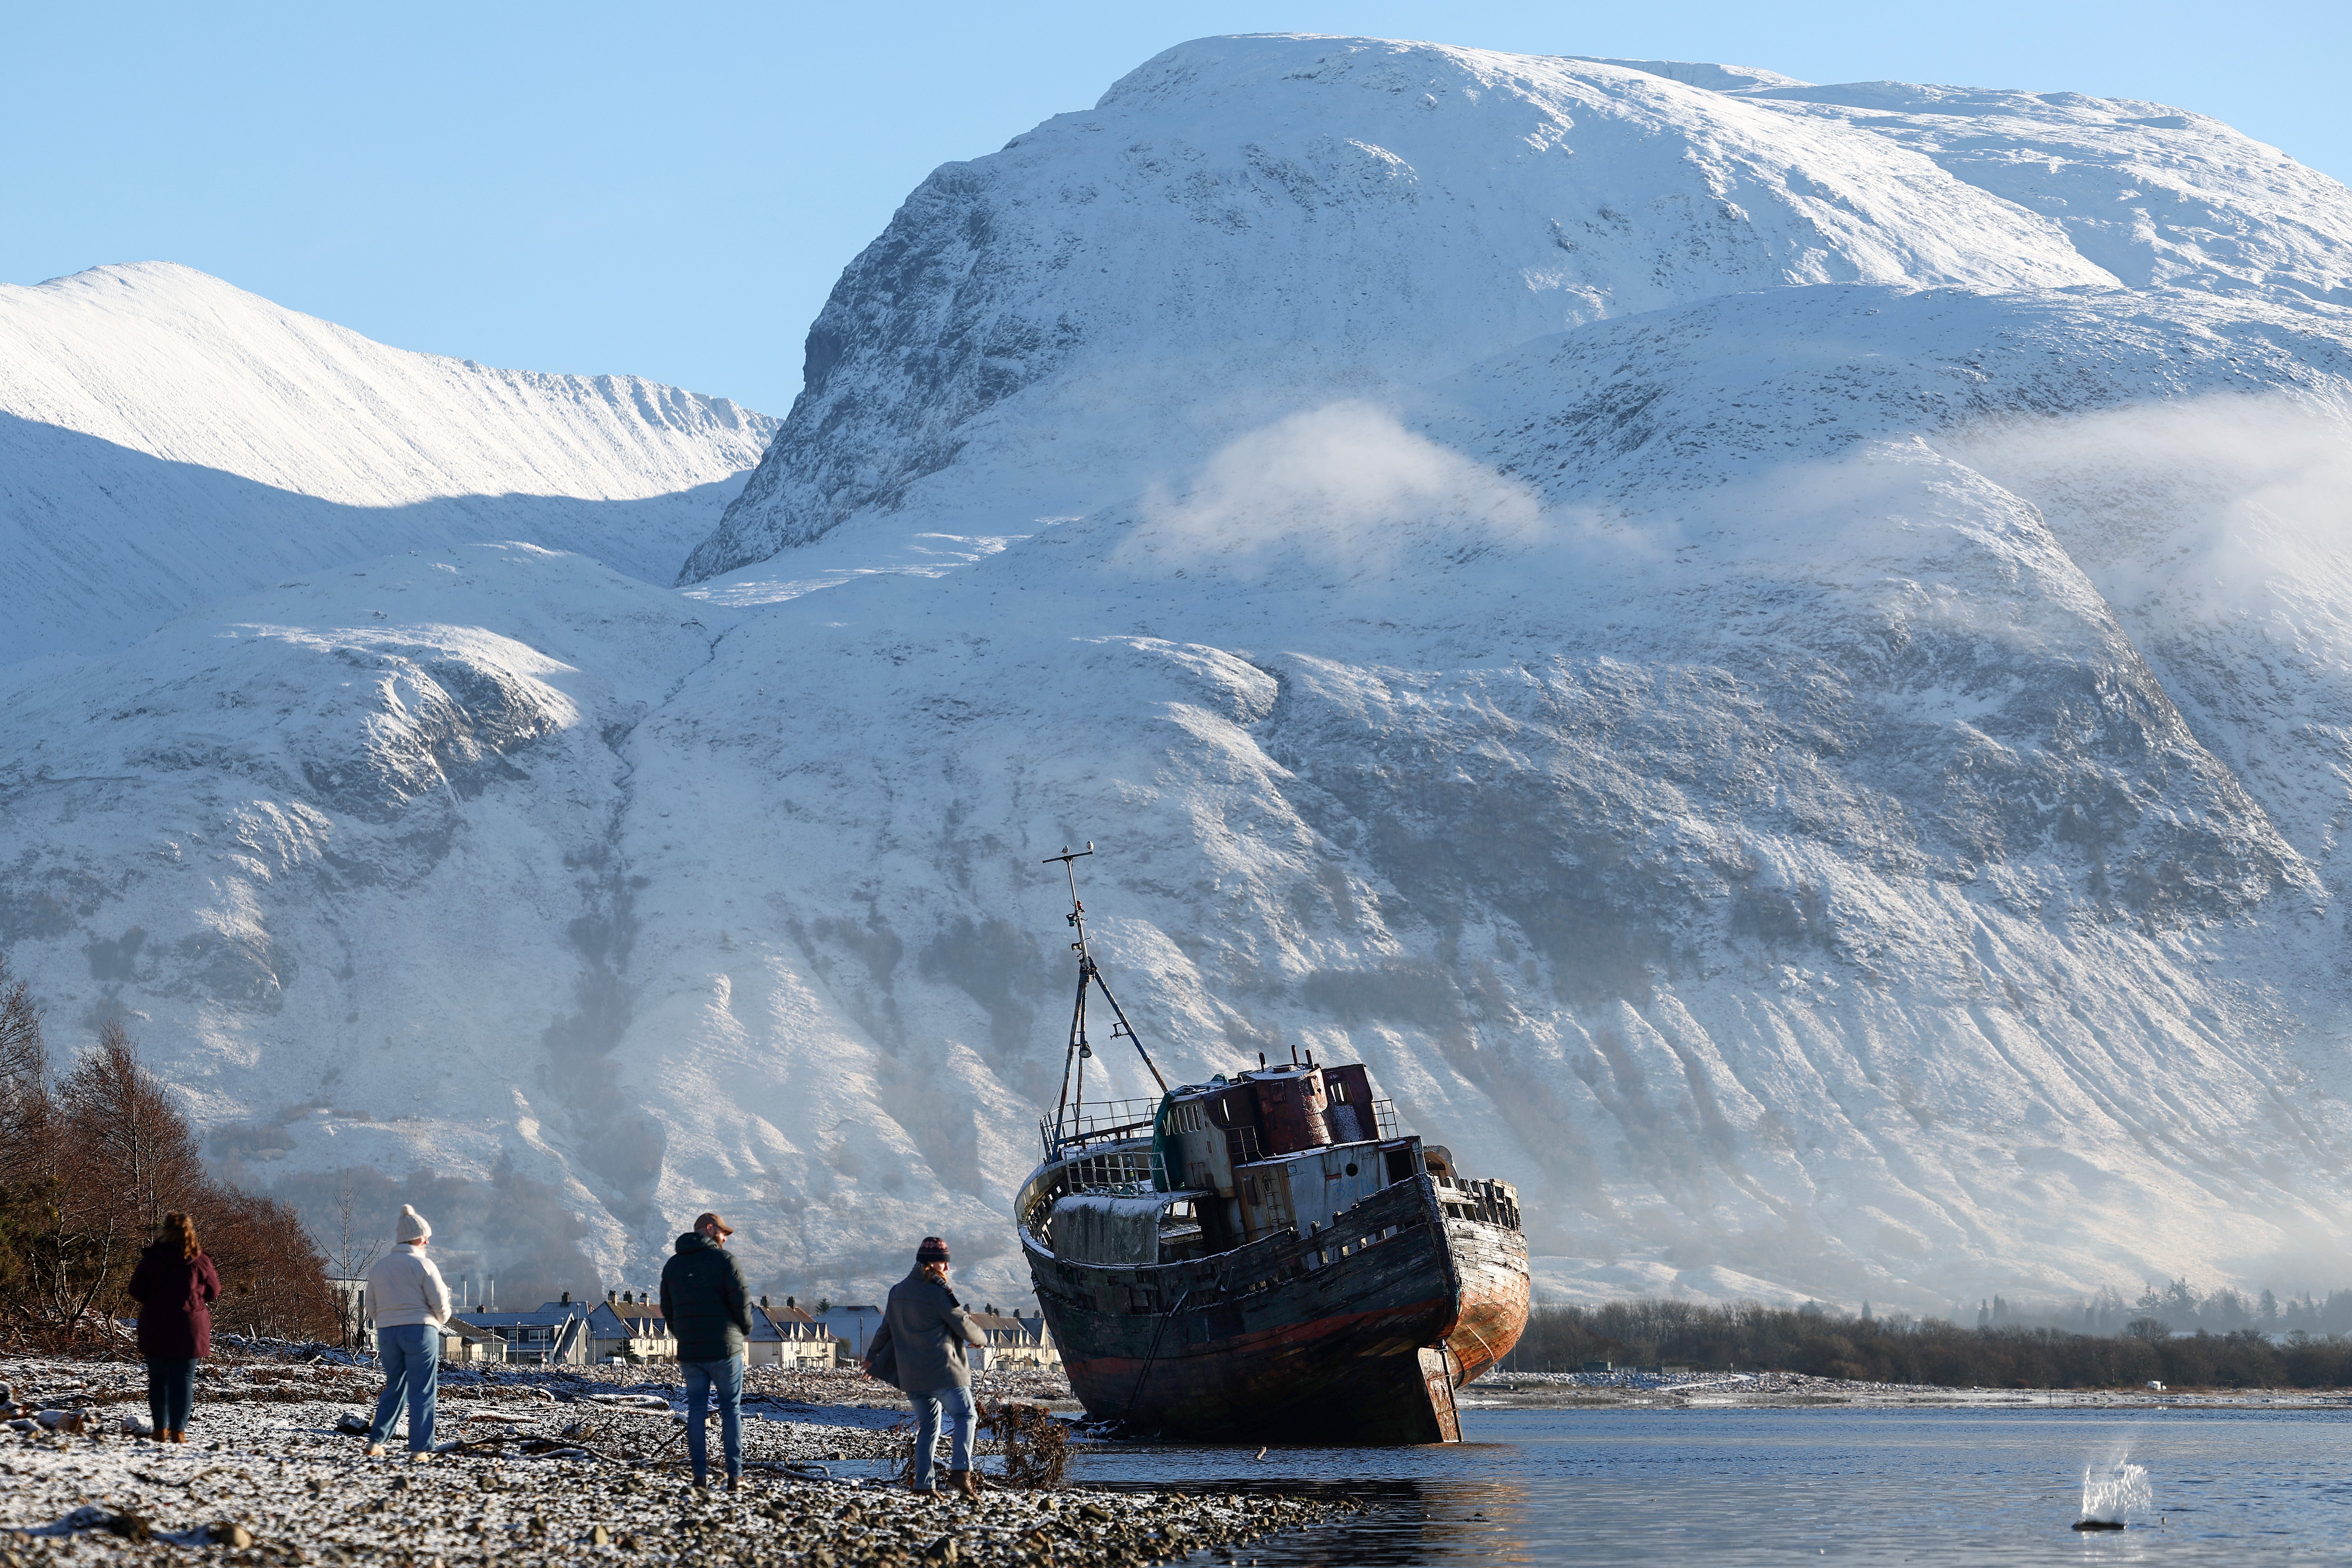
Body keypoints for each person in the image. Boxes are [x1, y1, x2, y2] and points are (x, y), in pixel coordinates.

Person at [884, 1236, 985, 1497]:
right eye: (944, 1262)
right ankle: (961, 1472)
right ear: (931, 1264)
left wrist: (872, 1359)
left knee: (929, 1427)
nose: (947, 1269)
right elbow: (961, 1322)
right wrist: (980, 1339)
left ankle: (923, 1485)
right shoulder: (938, 1291)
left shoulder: (897, 1291)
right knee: (966, 1416)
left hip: (912, 1375)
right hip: (942, 1370)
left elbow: (886, 1329)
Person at [661, 1210, 752, 1491]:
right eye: (724, 1233)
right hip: (726, 1348)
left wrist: (683, 1334)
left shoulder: (673, 1265)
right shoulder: (725, 1261)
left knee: (696, 1411)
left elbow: (667, 1308)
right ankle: (735, 1476)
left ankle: (699, 1476)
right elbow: (742, 1301)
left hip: (691, 1352)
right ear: (711, 1229)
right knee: (730, 1410)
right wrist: (744, 1330)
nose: (725, 1239)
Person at [362, 1205, 450, 1461]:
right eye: (426, 1237)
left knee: (395, 1386)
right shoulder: (424, 1265)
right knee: (422, 1390)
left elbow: (371, 1307)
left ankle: (377, 1441)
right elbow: (441, 1303)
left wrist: (386, 1321)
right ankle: (420, 1449)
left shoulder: (379, 1268)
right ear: (418, 1239)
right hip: (421, 1330)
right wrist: (439, 1321)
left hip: (387, 1333)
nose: (429, 1241)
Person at [125, 1211, 221, 1444]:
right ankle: (179, 1432)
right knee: (184, 1379)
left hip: (156, 1325)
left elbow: (136, 1290)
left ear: (164, 1231)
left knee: (158, 1379)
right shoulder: (200, 1260)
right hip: (190, 1328)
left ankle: (160, 1431)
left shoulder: (152, 1259)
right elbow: (214, 1291)